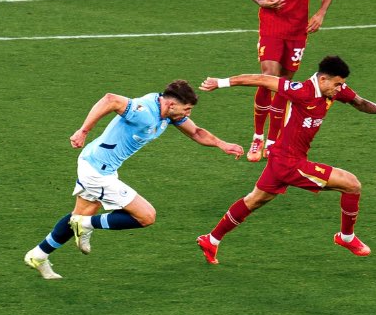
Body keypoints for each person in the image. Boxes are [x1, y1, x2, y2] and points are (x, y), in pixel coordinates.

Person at [24, 80, 244, 279]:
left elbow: (196, 132)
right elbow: (110, 99)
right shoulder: (144, 111)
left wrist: (222, 144)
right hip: (96, 172)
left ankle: (38, 255)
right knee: (146, 216)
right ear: (171, 105)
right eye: (186, 109)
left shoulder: (168, 114)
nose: (186, 114)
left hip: (98, 165)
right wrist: (83, 130)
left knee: (80, 213)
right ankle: (85, 225)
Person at [195, 55, 376, 264]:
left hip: (280, 160)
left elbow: (358, 102)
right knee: (352, 184)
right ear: (323, 80)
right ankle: (346, 237)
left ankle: (211, 240)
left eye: (342, 85)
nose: (340, 89)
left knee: (254, 200)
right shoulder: (301, 91)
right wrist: (220, 83)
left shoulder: (334, 90)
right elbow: (262, 79)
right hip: (290, 163)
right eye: (337, 84)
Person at [245, 0, 335, 163]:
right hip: (272, 26)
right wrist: (261, 1)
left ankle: (274, 141)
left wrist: (320, 13)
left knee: (284, 85)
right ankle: (257, 137)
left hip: (298, 30)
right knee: (268, 77)